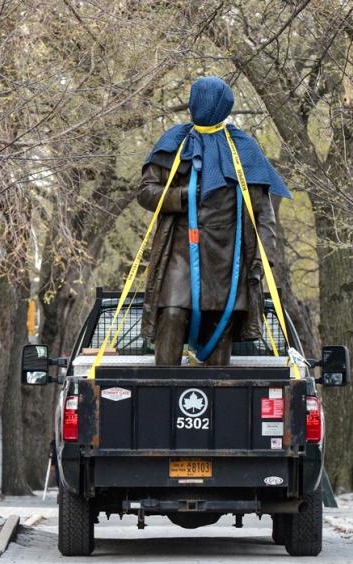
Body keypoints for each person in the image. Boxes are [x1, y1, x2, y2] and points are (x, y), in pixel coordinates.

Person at [138, 76, 290, 366]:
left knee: (220, 326)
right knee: (172, 312)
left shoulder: (243, 148)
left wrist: (263, 259)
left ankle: (218, 397)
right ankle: (163, 391)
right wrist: (183, 195)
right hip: (180, 252)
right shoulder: (175, 142)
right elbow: (146, 192)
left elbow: (263, 210)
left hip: (228, 256)